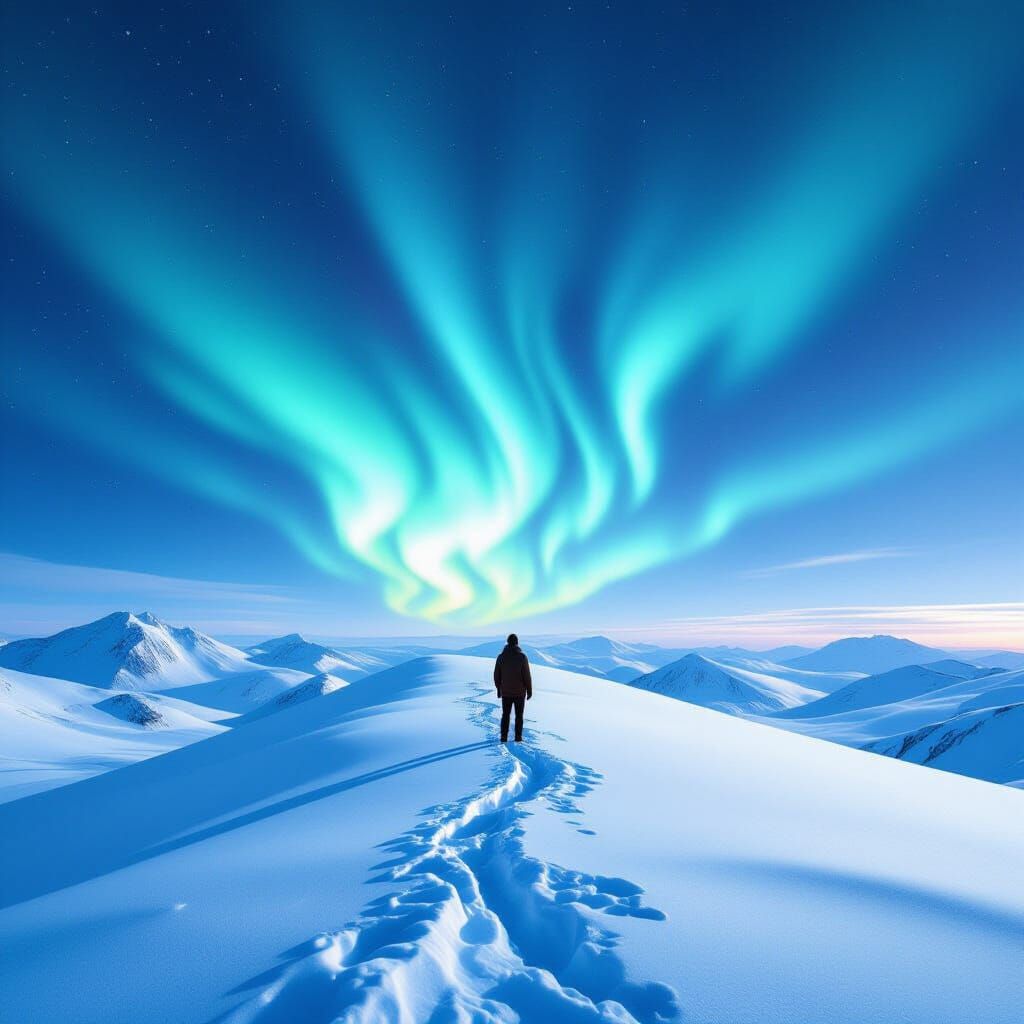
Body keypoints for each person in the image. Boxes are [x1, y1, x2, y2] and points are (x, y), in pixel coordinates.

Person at [493, 633, 532, 743]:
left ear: (507, 642)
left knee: (505, 715)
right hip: (520, 693)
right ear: (517, 643)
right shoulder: (522, 657)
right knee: (519, 716)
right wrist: (529, 690)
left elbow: (496, 675)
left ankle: (503, 737)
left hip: (506, 692)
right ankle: (518, 738)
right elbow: (526, 675)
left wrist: (499, 689)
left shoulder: (501, 657)